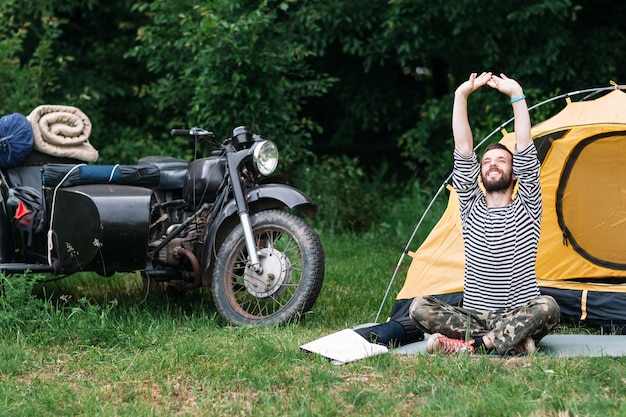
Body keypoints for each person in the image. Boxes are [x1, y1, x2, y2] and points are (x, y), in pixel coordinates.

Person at [408, 72, 561, 355]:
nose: (493, 165)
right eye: (487, 161)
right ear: (479, 173)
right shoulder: (470, 206)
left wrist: (516, 94)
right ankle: (510, 342)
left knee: (548, 306)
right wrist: (460, 96)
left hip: (518, 311)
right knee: (418, 306)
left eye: (502, 161)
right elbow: (464, 150)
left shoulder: (528, 206)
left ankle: (476, 346)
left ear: (514, 173)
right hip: (473, 317)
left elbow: (526, 149)